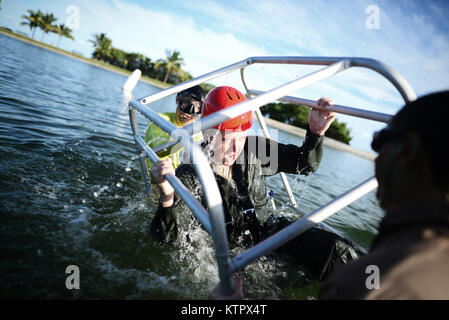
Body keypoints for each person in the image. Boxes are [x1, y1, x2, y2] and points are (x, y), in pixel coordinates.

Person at [150, 86, 362, 294]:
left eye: (240, 138)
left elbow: (303, 163)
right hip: (234, 253)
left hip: (270, 229)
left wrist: (315, 133)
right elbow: (167, 237)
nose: (235, 148)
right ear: (206, 133)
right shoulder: (192, 171)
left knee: (337, 250)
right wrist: (167, 197)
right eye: (225, 139)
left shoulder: (254, 148)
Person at [319, 91, 449, 299]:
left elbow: (301, 163)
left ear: (408, 151)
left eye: (379, 142)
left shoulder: (359, 286)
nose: (375, 160)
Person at [145, 85, 205, 170]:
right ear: (177, 100)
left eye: (197, 107)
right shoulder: (160, 119)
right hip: (154, 176)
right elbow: (160, 149)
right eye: (186, 103)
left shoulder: (200, 132)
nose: (189, 111)